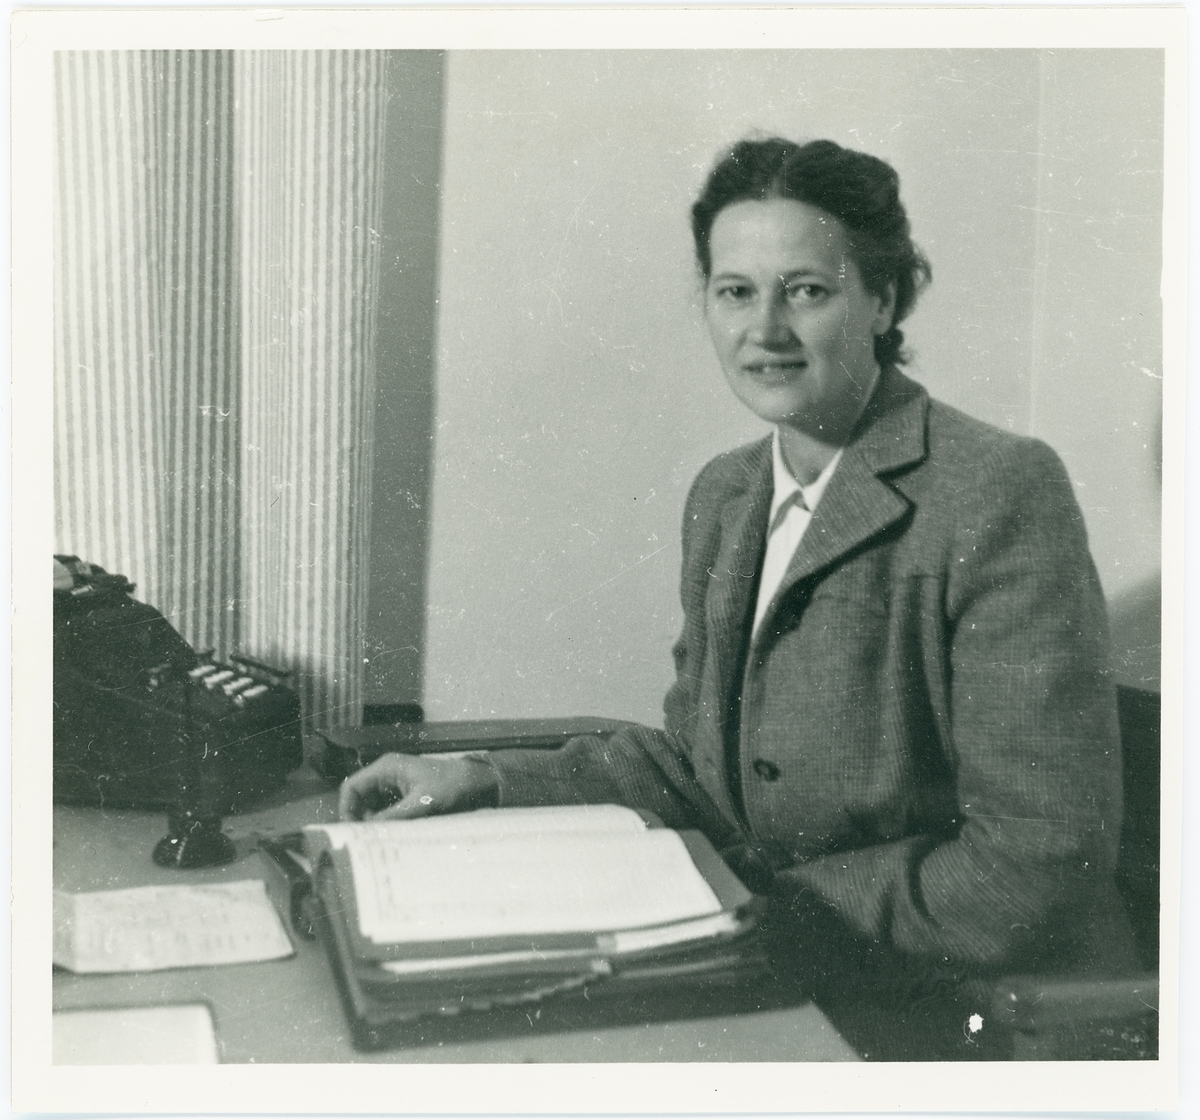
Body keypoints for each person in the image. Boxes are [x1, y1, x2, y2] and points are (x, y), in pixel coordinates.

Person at [339, 137, 1137, 1056]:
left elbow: (1039, 860)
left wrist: (754, 909)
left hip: (942, 1000)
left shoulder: (996, 490)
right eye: (735, 292)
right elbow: (698, 770)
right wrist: (479, 779)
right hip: (766, 955)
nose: (766, 329)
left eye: (807, 290)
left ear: (883, 300)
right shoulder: (727, 494)